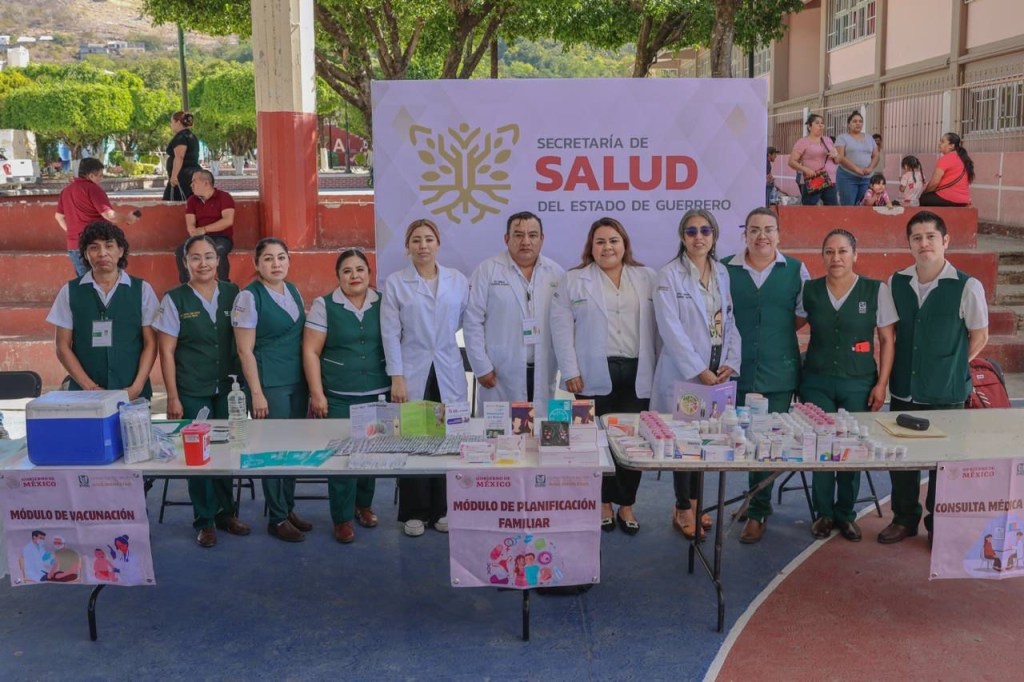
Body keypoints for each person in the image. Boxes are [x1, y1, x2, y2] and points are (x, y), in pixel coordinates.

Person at [879, 210, 989, 545]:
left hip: (947, 394)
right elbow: (889, 336)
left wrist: (951, 365)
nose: (924, 243)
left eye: (930, 236)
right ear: (909, 244)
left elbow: (979, 336)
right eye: (917, 237)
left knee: (945, 463)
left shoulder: (967, 286)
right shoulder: (896, 282)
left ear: (945, 241)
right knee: (902, 461)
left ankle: (938, 523)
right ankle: (904, 518)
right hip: (904, 390)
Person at [550, 217, 658, 535]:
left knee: (632, 441)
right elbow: (561, 330)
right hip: (591, 374)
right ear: (591, 247)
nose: (607, 247)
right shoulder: (574, 280)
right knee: (596, 441)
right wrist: (570, 371)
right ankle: (603, 503)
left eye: (613, 240)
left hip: (638, 371)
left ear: (624, 245)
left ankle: (626, 503)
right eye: (600, 241)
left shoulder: (647, 277)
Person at [154, 235, 251, 548]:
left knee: (226, 450)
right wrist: (172, 396)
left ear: (218, 260)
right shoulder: (174, 299)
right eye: (195, 257)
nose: (203, 263)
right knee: (197, 456)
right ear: (185, 263)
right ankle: (205, 520)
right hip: (192, 388)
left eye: (209, 256)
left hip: (229, 388)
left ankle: (226, 513)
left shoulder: (234, 293)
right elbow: (166, 352)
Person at [800, 229, 897, 542]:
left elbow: (887, 340)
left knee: (853, 447)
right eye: (829, 252)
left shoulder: (875, 290)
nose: (836, 258)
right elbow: (789, 325)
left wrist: (881, 384)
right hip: (816, 381)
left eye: (843, 251)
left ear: (855, 255)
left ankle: (845, 514)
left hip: (859, 381)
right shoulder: (809, 290)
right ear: (822, 256)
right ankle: (823, 513)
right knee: (822, 445)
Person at [722, 207, 809, 544]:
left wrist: (772, 334)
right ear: (745, 234)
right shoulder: (725, 269)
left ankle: (759, 511)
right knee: (745, 439)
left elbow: (801, 315)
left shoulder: (796, 270)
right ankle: (753, 497)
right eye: (754, 229)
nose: (762, 236)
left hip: (778, 370)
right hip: (737, 370)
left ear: (778, 235)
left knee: (768, 441)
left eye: (768, 229)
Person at [651, 210, 740, 540]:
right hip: (686, 373)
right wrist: (698, 369)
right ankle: (682, 507)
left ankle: (696, 502)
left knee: (704, 440)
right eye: (691, 231)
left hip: (715, 371)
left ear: (714, 235)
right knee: (681, 441)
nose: (698, 237)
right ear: (682, 237)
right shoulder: (668, 275)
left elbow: (729, 319)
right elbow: (670, 329)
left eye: (705, 231)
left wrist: (730, 361)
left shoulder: (722, 272)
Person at [382, 219, 470, 537]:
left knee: (447, 439)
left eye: (428, 239)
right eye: (416, 240)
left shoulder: (457, 280)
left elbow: (464, 321)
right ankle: (414, 512)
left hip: (448, 367)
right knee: (414, 439)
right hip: (412, 370)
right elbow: (390, 333)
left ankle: (443, 509)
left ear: (438, 244)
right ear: (407, 246)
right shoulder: (396, 283)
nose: (423, 246)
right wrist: (397, 376)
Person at [303, 249, 391, 543]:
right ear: (338, 276)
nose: (355, 276)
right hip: (339, 395)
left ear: (369, 273)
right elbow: (311, 351)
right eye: (347, 271)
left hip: (377, 393)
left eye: (360, 269)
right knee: (342, 458)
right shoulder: (324, 305)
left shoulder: (384, 302)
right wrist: (317, 393)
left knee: (369, 455)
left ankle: (363, 506)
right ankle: (341, 518)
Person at [233, 238, 313, 543]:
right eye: (268, 258)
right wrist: (256, 392)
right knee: (272, 449)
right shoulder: (248, 297)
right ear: (256, 264)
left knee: (293, 447)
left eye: (281, 257)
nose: (276, 264)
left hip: (297, 380)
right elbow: (245, 350)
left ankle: (288, 507)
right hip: (269, 383)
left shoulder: (293, 290)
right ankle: (277, 517)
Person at [464, 211, 564, 413]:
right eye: (518, 235)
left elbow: (565, 324)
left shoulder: (556, 273)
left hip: (543, 368)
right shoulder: (487, 270)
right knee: (499, 429)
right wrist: (481, 367)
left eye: (532, 235)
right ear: (506, 239)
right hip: (498, 371)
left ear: (542, 239)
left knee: (539, 427)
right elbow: (472, 321)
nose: (525, 241)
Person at [46, 221, 158, 400]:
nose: (102, 253)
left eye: (109, 246)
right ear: (85, 254)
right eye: (94, 247)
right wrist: (89, 387)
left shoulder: (142, 290)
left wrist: (136, 387)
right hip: (84, 395)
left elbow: (151, 343)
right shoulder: (70, 291)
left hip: (133, 393)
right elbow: (62, 346)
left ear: (120, 250)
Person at [55, 157, 138, 276]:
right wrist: (127, 218)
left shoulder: (66, 191)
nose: (101, 179)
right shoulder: (93, 189)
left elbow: (58, 217)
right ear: (91, 175)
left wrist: (72, 232)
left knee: (85, 283)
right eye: (100, 175)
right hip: (97, 246)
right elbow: (109, 215)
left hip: (74, 246)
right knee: (109, 281)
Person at [173, 170, 235, 284]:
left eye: (194, 181)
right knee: (181, 251)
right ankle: (186, 286)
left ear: (206, 183)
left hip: (221, 237)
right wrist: (192, 231)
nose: (191, 185)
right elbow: (190, 223)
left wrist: (204, 229)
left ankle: (225, 285)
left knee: (219, 251)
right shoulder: (192, 200)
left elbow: (228, 220)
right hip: (199, 237)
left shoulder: (224, 197)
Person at [789, 113, 839, 206]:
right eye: (817, 123)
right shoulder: (803, 142)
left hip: (830, 180)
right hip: (813, 179)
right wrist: (805, 169)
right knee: (809, 208)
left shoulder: (828, 140)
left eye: (822, 123)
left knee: (832, 209)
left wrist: (835, 155)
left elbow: (836, 161)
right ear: (809, 126)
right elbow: (791, 162)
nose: (821, 125)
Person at [834, 111, 879, 206]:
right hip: (847, 177)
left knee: (863, 206)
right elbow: (840, 157)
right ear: (849, 124)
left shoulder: (869, 138)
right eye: (854, 121)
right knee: (848, 207)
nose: (858, 123)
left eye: (860, 121)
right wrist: (856, 169)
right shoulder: (842, 138)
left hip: (867, 178)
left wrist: (870, 168)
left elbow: (876, 155)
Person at [920, 132, 974, 207]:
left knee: (922, 199)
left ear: (951, 146)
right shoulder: (963, 159)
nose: (939, 144)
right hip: (964, 200)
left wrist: (925, 191)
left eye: (942, 142)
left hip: (948, 197)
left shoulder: (945, 159)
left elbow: (934, 183)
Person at [163, 111, 201, 201]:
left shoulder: (181, 137)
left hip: (183, 176)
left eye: (172, 122)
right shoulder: (191, 136)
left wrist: (174, 176)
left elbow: (179, 157)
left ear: (178, 122)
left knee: (171, 203)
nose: (171, 125)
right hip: (191, 173)